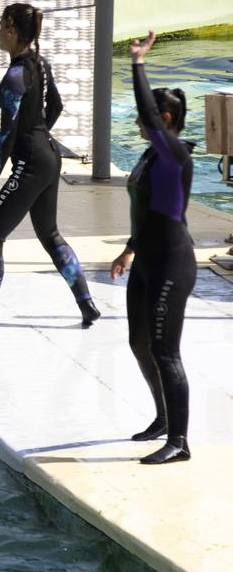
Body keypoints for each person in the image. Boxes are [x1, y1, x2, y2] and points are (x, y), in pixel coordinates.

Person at [0, 3, 100, 340]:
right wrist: (40, 133)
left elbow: (6, 133)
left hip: (30, 162)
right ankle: (86, 304)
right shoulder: (39, 64)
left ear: (13, 31)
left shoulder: (15, 76)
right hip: (49, 155)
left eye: (1, 27)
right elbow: (54, 105)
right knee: (50, 234)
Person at [109, 31, 195, 465]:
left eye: (148, 118)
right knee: (139, 343)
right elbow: (148, 212)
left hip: (172, 265)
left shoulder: (175, 153)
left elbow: (145, 109)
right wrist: (129, 249)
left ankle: (179, 442)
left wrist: (138, 63)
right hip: (147, 259)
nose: (139, 123)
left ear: (163, 118)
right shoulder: (149, 157)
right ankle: (162, 419)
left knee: (166, 351)